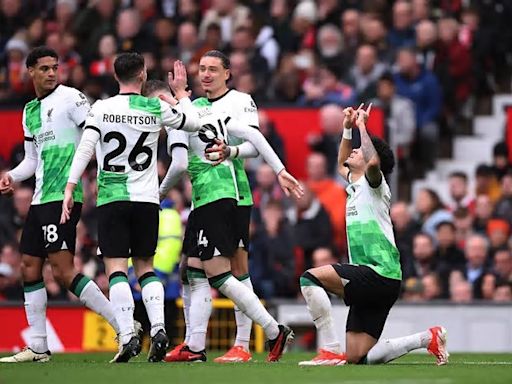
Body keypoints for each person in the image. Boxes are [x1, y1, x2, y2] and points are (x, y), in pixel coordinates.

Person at [157, 50, 302, 363]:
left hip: (232, 194)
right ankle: (198, 345)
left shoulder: (240, 101)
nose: (206, 74)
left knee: (227, 272)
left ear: (227, 74)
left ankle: (256, 338)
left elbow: (253, 141)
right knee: (194, 270)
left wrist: (236, 153)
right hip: (206, 198)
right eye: (202, 69)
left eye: (213, 69)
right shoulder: (194, 108)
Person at [60, 53, 201, 363]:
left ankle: (128, 335)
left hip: (112, 198)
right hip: (147, 200)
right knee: (145, 267)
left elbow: (86, 148)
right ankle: (160, 329)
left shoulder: (102, 108)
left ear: (115, 76)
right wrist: (179, 95)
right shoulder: (155, 106)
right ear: (143, 75)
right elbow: (194, 122)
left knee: (116, 269)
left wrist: (70, 186)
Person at [298, 104, 448, 366]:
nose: (354, 151)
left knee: (309, 278)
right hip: (381, 279)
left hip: (378, 272)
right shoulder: (355, 184)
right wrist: (346, 129)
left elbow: (374, 160)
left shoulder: (374, 184)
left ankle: (330, 349)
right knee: (358, 357)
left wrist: (362, 127)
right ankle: (427, 338)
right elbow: (340, 161)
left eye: (359, 150)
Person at [0, 46, 122, 364]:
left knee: (64, 272)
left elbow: (96, 136)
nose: (52, 72)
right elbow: (30, 161)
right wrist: (11, 176)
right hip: (40, 198)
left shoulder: (73, 98)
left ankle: (124, 327)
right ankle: (38, 346)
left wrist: (96, 175)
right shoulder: (29, 111)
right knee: (28, 267)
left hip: (65, 196)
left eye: (55, 67)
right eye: (44, 68)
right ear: (31, 72)